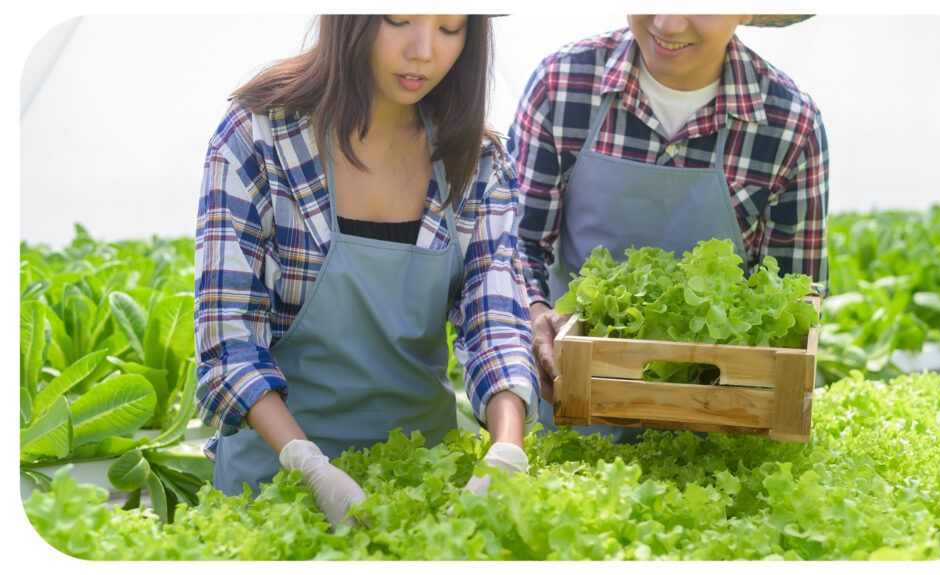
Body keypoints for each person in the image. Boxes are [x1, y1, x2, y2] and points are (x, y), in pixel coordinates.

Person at [194, 14, 538, 528]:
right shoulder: (259, 138)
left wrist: (507, 449)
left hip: (424, 479)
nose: (424, 50)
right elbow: (229, 341)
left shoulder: (477, 160)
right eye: (398, 19)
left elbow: (495, 324)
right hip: (276, 479)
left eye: (450, 28)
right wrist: (308, 466)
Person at [507, 14, 829, 442]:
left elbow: (796, 299)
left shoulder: (790, 124)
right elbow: (517, 244)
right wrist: (536, 317)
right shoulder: (562, 85)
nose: (668, 22)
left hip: (718, 428)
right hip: (572, 410)